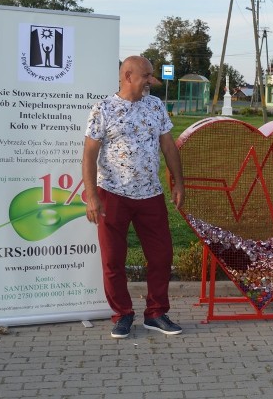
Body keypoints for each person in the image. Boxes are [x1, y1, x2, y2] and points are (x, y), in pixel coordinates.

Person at [82, 56, 186, 339]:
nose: (152, 81)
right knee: (113, 260)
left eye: (152, 75)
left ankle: (156, 313)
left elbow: (168, 145)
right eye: (147, 76)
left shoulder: (155, 106)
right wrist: (92, 194)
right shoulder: (103, 109)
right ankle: (122, 314)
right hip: (112, 194)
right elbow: (89, 153)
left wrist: (178, 182)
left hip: (150, 194)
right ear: (128, 76)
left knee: (162, 256)